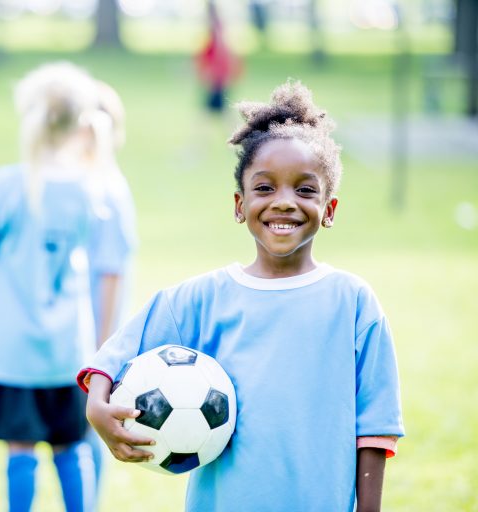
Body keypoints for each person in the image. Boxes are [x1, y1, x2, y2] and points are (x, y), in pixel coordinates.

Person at [79, 81, 404, 512]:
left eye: (305, 190)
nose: (284, 203)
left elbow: (376, 426)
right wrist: (97, 408)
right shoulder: (199, 299)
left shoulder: (353, 303)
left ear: (329, 209)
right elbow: (114, 357)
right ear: (239, 204)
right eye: (265, 188)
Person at [0, 62, 102, 512]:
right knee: (71, 447)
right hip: (67, 351)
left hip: (14, 351)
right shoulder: (90, 189)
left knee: (20, 449)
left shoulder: (9, 185)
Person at [82, 80, 138, 501]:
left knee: (91, 426)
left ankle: (90, 499)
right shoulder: (77, 187)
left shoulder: (109, 191)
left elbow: (112, 272)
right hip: (71, 329)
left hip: (96, 335)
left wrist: (101, 346)